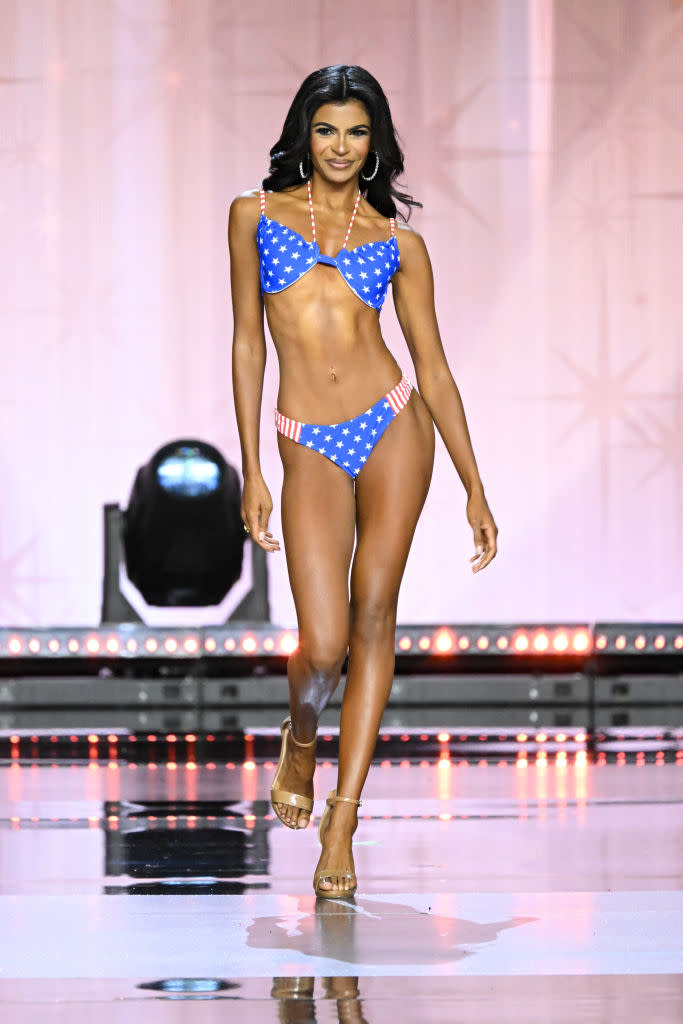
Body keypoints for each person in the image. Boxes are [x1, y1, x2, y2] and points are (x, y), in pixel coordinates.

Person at [229, 65, 497, 899]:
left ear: (374, 141)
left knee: (375, 616)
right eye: (325, 130)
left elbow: (437, 371)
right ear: (302, 135)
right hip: (305, 440)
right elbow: (247, 346)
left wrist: (473, 485)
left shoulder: (397, 241)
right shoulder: (252, 216)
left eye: (355, 132)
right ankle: (300, 738)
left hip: (393, 427)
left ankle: (343, 818)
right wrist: (252, 468)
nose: (341, 147)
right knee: (324, 642)